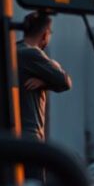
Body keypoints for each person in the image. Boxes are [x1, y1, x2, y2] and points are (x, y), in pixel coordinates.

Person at [17, 10, 71, 141]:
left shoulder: (14, 49)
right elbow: (65, 81)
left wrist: (42, 82)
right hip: (29, 134)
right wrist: (46, 80)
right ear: (45, 34)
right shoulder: (32, 54)